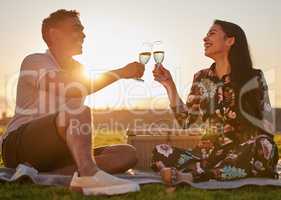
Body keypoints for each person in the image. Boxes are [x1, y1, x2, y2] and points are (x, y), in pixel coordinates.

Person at [0, 9, 144, 195]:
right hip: (19, 145)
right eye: (77, 28)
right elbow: (72, 87)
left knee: (127, 153)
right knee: (78, 111)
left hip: (57, 151)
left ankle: (51, 174)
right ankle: (88, 175)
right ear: (54, 34)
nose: (83, 34)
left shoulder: (79, 69)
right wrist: (121, 73)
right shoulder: (35, 61)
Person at [152, 19, 279, 184]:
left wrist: (260, 146)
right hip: (208, 153)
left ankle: (193, 175)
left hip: (244, 150)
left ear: (230, 40)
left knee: (264, 145)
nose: (204, 39)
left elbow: (267, 123)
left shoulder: (254, 77)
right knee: (160, 151)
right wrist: (169, 84)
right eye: (206, 35)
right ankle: (212, 170)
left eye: (211, 33)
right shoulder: (201, 77)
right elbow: (187, 122)